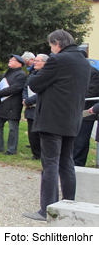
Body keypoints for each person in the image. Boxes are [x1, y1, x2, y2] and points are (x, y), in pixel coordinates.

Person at [24, 30, 91, 222]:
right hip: (72, 119)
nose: (51, 49)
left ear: (58, 44)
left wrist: (36, 70)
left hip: (52, 119)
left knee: (50, 164)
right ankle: (67, 204)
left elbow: (35, 84)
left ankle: (47, 209)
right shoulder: (84, 63)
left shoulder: (57, 60)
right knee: (67, 162)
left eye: (52, 45)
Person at [0, 54, 27, 155]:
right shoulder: (6, 73)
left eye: (13, 60)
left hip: (13, 104)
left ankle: (11, 149)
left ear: (19, 64)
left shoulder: (21, 74)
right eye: (10, 59)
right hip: (3, 103)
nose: (10, 60)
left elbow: (15, 88)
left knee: (12, 128)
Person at [73, 48, 99, 166]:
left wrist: (74, 95)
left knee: (81, 140)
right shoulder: (72, 71)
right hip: (72, 110)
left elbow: (93, 91)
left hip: (86, 112)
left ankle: (78, 163)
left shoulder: (93, 72)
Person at [23, 54, 48, 161]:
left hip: (41, 108)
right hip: (30, 108)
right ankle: (36, 154)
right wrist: (24, 100)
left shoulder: (47, 75)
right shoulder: (32, 74)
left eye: (38, 61)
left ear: (45, 63)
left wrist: (30, 100)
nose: (35, 63)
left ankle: (43, 155)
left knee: (41, 134)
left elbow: (43, 92)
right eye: (35, 61)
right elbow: (25, 87)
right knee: (32, 133)